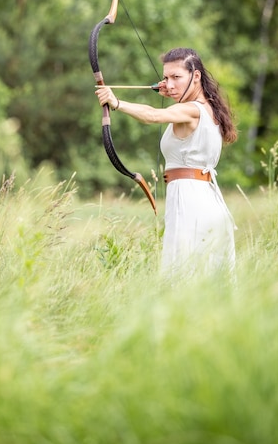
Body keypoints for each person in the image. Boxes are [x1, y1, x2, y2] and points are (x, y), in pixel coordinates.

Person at [95, 47, 237, 276]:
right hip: (202, 199)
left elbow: (153, 115)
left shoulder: (192, 110)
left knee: (182, 275)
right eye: (166, 77)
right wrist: (172, 92)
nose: (169, 84)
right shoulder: (205, 108)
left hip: (190, 200)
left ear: (196, 76)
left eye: (176, 77)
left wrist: (116, 102)